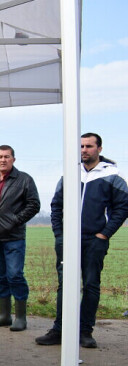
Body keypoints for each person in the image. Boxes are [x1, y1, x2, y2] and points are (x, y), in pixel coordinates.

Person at [37, 133, 128, 349]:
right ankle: (59, 329)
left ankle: (85, 331)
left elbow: (123, 208)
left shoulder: (112, 176)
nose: (84, 150)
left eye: (88, 146)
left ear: (99, 148)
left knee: (90, 285)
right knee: (65, 285)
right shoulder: (69, 174)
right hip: (67, 241)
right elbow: (56, 205)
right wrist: (60, 234)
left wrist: (104, 234)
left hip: (94, 240)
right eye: (81, 146)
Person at [0, 145, 40, 331]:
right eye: (0, 156)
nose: (3, 160)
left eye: (7, 156)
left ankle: (20, 317)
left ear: (14, 159)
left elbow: (34, 205)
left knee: (15, 275)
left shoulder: (24, 180)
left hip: (14, 236)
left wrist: (14, 220)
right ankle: (4, 315)